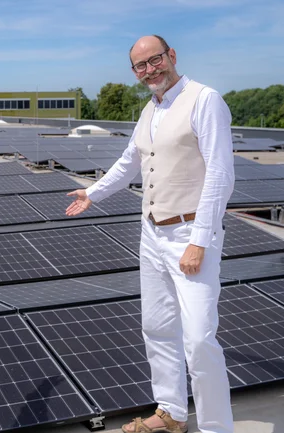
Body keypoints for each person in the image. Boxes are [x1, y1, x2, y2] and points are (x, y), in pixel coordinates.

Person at [66, 35, 235, 433]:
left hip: (190, 232)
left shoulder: (204, 100)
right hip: (152, 234)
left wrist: (199, 241)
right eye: (140, 66)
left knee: (198, 340)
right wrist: (92, 193)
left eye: (154, 60)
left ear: (171, 56)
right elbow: (130, 162)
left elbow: (221, 175)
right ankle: (171, 413)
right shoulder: (150, 109)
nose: (149, 70)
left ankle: (215, 428)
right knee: (157, 327)